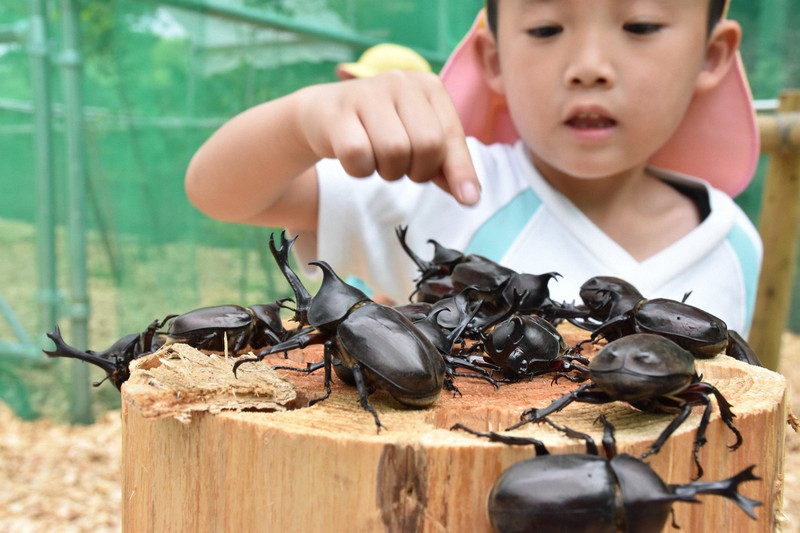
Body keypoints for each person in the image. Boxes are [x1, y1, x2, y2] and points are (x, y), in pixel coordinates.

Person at [185, 0, 762, 335]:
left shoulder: (735, 242)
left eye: (639, 25)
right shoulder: (444, 189)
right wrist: (302, 121)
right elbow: (222, 193)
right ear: (494, 59)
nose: (590, 67)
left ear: (711, 55)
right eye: (545, 29)